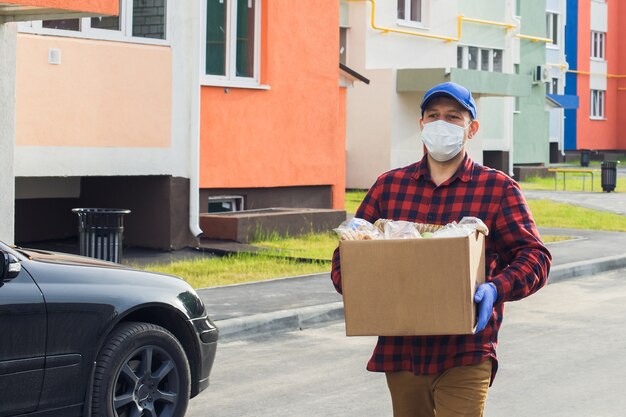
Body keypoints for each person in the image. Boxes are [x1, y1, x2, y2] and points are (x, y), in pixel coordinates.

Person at [331, 82, 552, 417]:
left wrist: (495, 288)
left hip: (465, 350)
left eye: (452, 117)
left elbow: (535, 257)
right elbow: (347, 256)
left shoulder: (497, 188)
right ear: (421, 126)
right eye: (433, 116)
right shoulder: (389, 187)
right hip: (402, 351)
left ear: (471, 128)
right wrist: (364, 286)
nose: (441, 124)